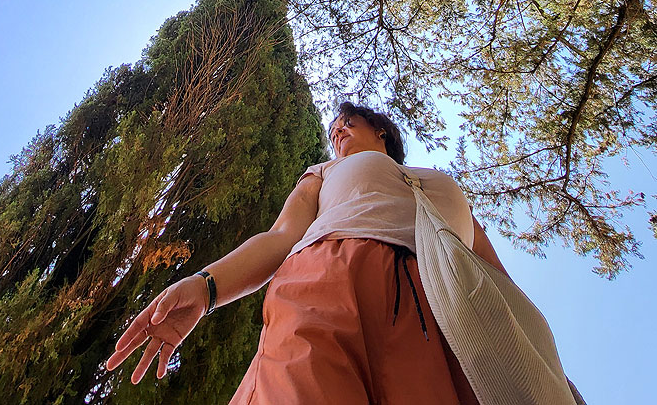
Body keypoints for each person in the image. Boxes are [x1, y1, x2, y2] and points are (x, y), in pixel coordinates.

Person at [106, 101, 509, 404]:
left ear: (380, 130)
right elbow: (281, 236)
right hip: (328, 285)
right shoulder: (323, 172)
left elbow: (495, 275)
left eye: (346, 123)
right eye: (333, 131)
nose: (337, 132)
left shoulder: (437, 181)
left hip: (446, 316)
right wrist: (206, 287)